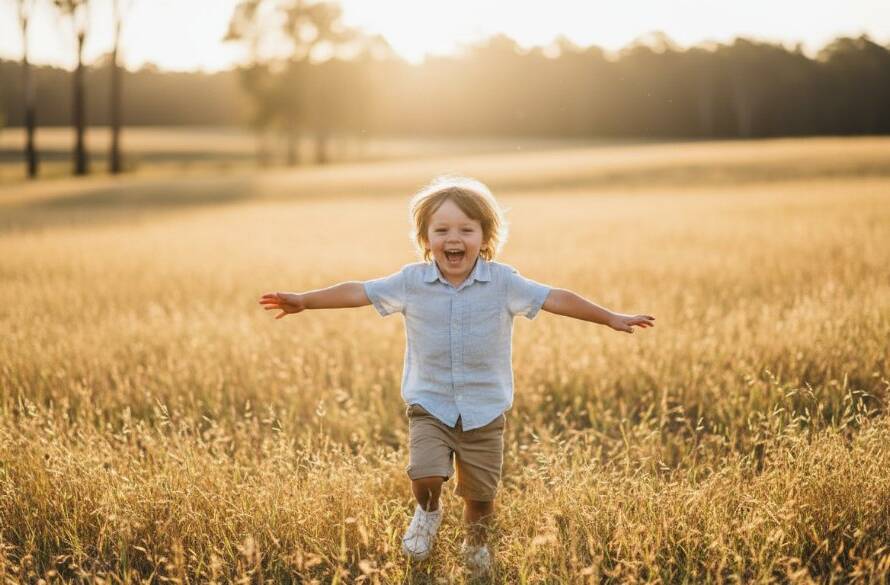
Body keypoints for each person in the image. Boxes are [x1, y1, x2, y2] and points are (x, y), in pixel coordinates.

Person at [258, 175, 655, 576]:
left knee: (480, 498)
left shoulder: (503, 282)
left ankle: (475, 545)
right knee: (426, 474)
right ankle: (428, 512)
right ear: (426, 239)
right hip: (430, 405)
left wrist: (609, 317)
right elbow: (359, 291)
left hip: (485, 411)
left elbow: (555, 298)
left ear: (485, 238)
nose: (454, 238)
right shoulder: (411, 282)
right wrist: (305, 301)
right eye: (442, 230)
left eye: (466, 229)